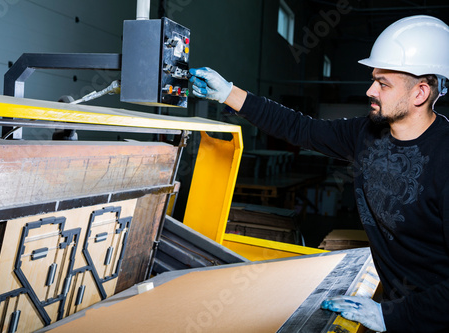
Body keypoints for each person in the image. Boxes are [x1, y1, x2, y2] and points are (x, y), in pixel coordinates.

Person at [189, 15, 449, 333]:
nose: (370, 90)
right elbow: (303, 129)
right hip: (398, 309)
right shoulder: (366, 133)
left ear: (420, 93)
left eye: (383, 84)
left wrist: (391, 317)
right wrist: (229, 93)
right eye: (374, 79)